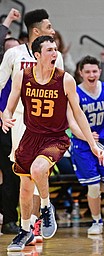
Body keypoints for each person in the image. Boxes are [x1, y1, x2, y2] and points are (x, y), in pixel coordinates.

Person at [2, 35, 104, 251]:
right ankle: (25, 231)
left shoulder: (65, 79)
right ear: (37, 55)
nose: (54, 53)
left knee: (39, 169)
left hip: (55, 138)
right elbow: (10, 101)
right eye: (49, 50)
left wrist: (92, 144)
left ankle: (47, 209)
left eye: (55, 49)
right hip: (30, 137)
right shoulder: (22, 76)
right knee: (25, 189)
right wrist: (6, 116)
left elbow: (78, 114)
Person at [0, 8, 65, 242]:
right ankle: (27, 225)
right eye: (49, 27)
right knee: (25, 178)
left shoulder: (56, 57)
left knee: (40, 173)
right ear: (36, 32)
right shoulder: (14, 55)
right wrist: (3, 113)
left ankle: (36, 223)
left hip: (46, 126)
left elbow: (64, 96)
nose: (53, 30)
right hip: (19, 122)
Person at [68, 55, 104, 235]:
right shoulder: (74, 92)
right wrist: (88, 137)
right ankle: (97, 221)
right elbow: (72, 124)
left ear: (100, 72)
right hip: (83, 145)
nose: (91, 74)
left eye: (94, 71)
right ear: (81, 73)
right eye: (87, 71)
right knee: (94, 186)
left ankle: (92, 196)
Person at [0, 8, 21, 235]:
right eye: (11, 52)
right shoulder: (2, 73)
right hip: (2, 126)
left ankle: (9, 219)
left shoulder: (26, 73)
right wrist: (8, 19)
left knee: (12, 175)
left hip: (15, 128)